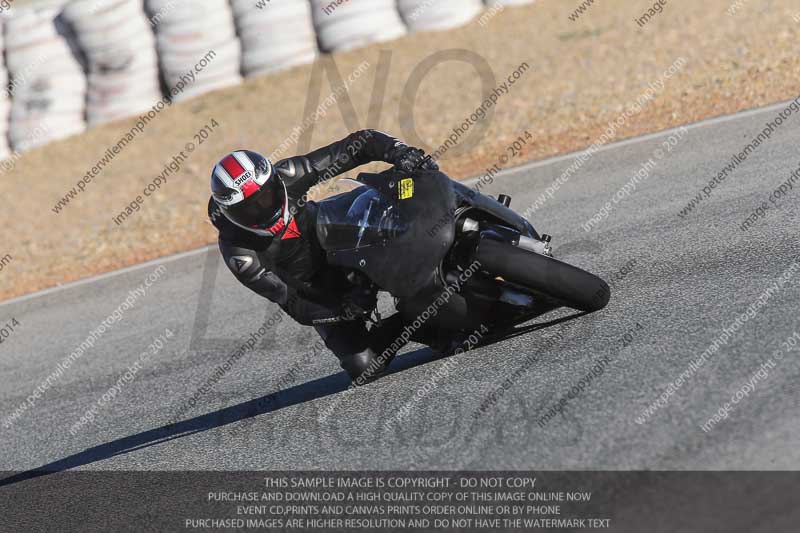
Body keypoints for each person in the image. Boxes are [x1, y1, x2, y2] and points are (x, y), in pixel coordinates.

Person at [208, 130, 438, 383]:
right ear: (230, 213)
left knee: (405, 195)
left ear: (275, 182)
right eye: (249, 209)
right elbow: (292, 302)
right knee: (364, 367)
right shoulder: (239, 253)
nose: (263, 209)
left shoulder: (289, 175)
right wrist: (340, 308)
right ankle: (419, 321)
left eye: (266, 197)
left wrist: (400, 153)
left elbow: (357, 145)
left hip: (339, 235)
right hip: (318, 291)